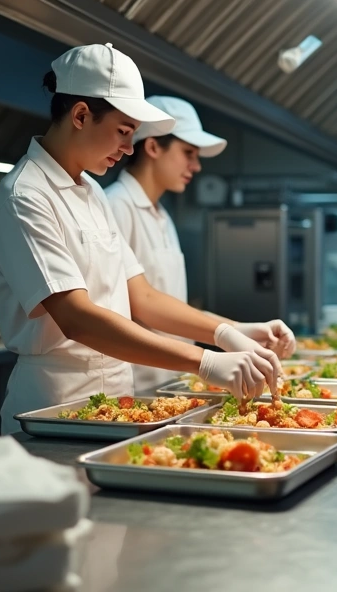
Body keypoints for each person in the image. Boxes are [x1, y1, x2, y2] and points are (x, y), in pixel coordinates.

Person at [0, 43, 282, 434]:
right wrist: (204, 362)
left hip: (118, 402)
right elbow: (76, 319)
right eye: (123, 132)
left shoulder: (92, 192)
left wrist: (226, 334)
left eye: (133, 134)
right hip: (54, 406)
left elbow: (142, 297)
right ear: (81, 115)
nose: (127, 149)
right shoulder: (24, 196)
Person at [107, 95, 296, 392]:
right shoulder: (117, 206)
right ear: (153, 146)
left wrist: (241, 330)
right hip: (138, 384)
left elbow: (173, 306)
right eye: (188, 153)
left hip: (171, 382)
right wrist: (224, 336)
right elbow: (141, 303)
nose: (196, 166)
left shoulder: (162, 215)